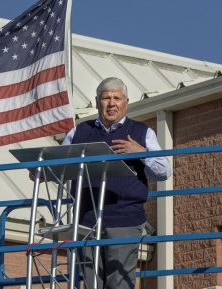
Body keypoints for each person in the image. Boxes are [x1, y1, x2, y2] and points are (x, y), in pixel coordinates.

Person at [62, 77, 172, 289]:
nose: (111, 103)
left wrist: (141, 152)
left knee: (119, 284)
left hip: (125, 219)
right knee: (91, 283)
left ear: (126, 103)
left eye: (117, 98)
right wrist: (44, 169)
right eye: (106, 98)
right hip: (85, 219)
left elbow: (164, 171)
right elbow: (60, 163)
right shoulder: (79, 132)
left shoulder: (142, 132)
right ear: (97, 101)